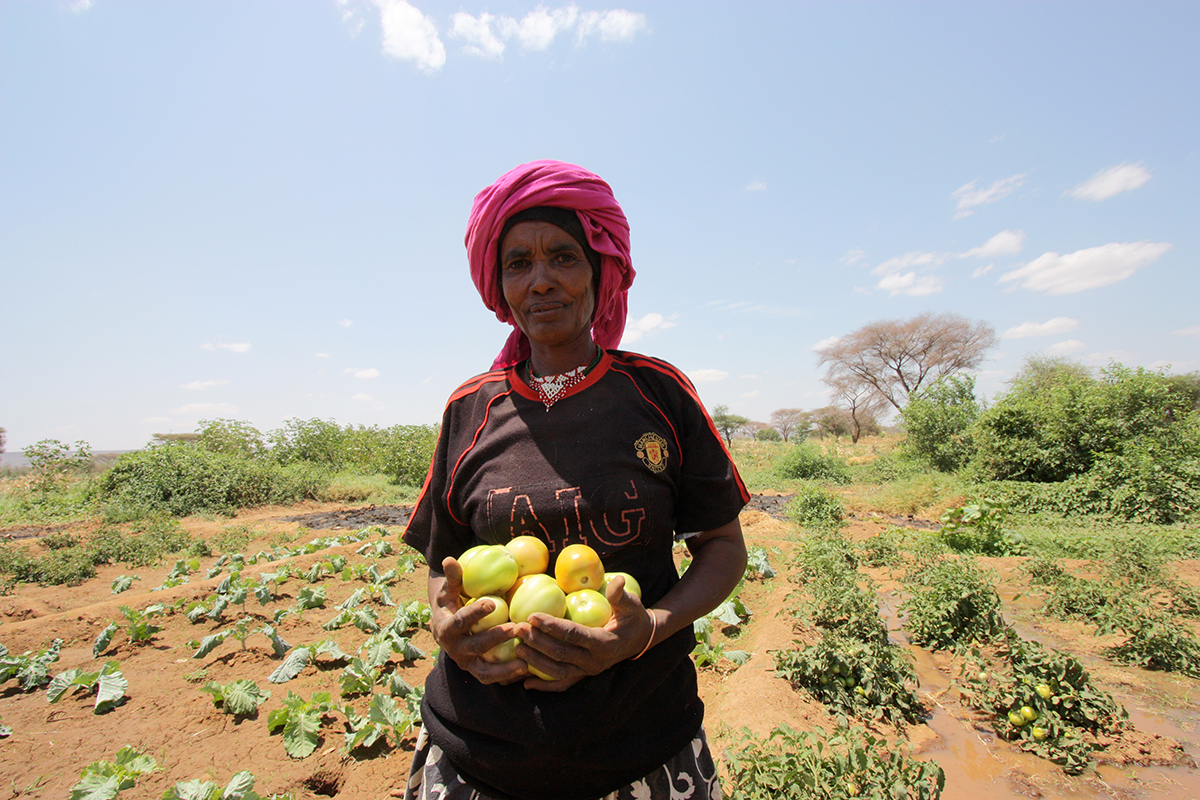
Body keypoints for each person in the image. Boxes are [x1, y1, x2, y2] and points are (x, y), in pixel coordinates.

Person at [401, 160, 750, 800]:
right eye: (518, 263)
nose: (541, 281)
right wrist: (443, 623)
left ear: (600, 272)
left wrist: (651, 627)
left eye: (563, 257)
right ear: (499, 284)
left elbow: (723, 547)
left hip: (641, 751)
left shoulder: (658, 395)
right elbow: (440, 562)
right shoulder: (469, 410)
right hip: (477, 760)